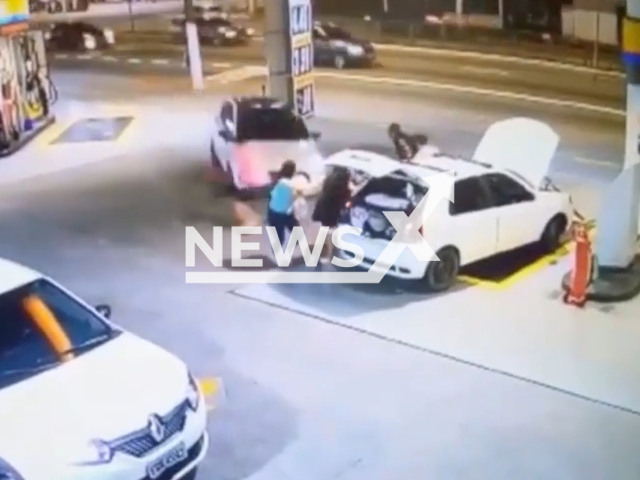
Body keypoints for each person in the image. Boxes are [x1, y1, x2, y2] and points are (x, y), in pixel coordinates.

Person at [312, 166, 353, 268]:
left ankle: (317, 253)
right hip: (332, 212)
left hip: (323, 208)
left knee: (323, 231)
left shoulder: (329, 180)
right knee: (331, 234)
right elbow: (346, 199)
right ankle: (329, 255)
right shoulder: (342, 187)